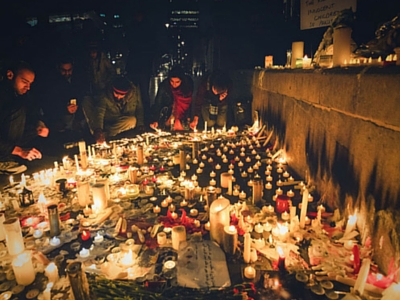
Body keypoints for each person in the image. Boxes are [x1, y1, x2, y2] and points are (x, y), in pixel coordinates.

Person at [0, 61, 49, 174]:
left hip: (10, 142)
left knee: (33, 126)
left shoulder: (21, 95)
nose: (28, 87)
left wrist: (40, 125)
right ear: (10, 75)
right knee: (18, 111)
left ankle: (12, 157)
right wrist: (20, 151)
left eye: (30, 83)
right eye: (24, 82)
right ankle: (3, 160)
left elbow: (34, 111)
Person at [38, 57, 87, 142]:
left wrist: (78, 118)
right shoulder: (52, 83)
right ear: (58, 68)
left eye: (69, 70)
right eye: (64, 70)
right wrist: (64, 110)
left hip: (76, 122)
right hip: (59, 123)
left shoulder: (78, 80)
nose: (67, 73)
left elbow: (82, 99)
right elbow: (48, 105)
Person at [83, 76, 144, 144]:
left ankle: (106, 134)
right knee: (87, 102)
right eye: (116, 94)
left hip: (122, 120)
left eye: (121, 95)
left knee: (132, 120)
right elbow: (99, 112)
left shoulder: (134, 94)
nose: (118, 96)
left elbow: (139, 108)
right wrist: (98, 129)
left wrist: (140, 124)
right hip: (109, 118)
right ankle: (100, 134)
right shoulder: (105, 96)